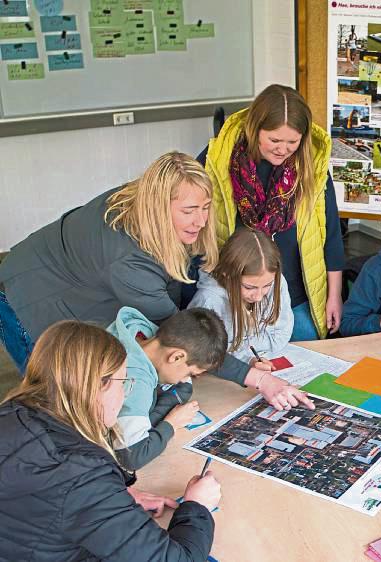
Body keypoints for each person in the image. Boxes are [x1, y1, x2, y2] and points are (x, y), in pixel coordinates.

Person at [0, 321, 220, 560]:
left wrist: (114, 497)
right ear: (96, 387)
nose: (125, 393)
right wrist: (198, 506)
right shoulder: (80, 476)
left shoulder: (13, 410)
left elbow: (42, 497)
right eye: (123, 382)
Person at [0, 152, 218, 373]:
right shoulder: (129, 258)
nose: (200, 221)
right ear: (158, 207)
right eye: (189, 211)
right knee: (53, 392)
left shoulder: (142, 201)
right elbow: (179, 332)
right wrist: (244, 373)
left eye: (206, 207)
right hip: (26, 299)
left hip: (59, 275)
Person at [198, 84, 344, 343]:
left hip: (298, 297)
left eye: (292, 142)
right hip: (235, 296)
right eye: (274, 140)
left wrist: (334, 295)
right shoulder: (218, 158)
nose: (282, 149)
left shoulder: (311, 167)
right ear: (255, 130)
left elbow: (331, 235)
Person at [107, 306, 228, 470]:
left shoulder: (136, 330)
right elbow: (132, 456)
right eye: (191, 373)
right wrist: (171, 423)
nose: (188, 379)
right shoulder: (135, 381)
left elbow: (183, 385)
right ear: (177, 356)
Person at [189, 228, 293, 364]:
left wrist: (237, 349)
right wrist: (247, 359)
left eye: (267, 286)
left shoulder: (276, 281)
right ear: (227, 275)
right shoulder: (209, 300)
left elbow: (280, 335)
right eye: (249, 287)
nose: (258, 297)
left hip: (263, 364)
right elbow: (203, 351)